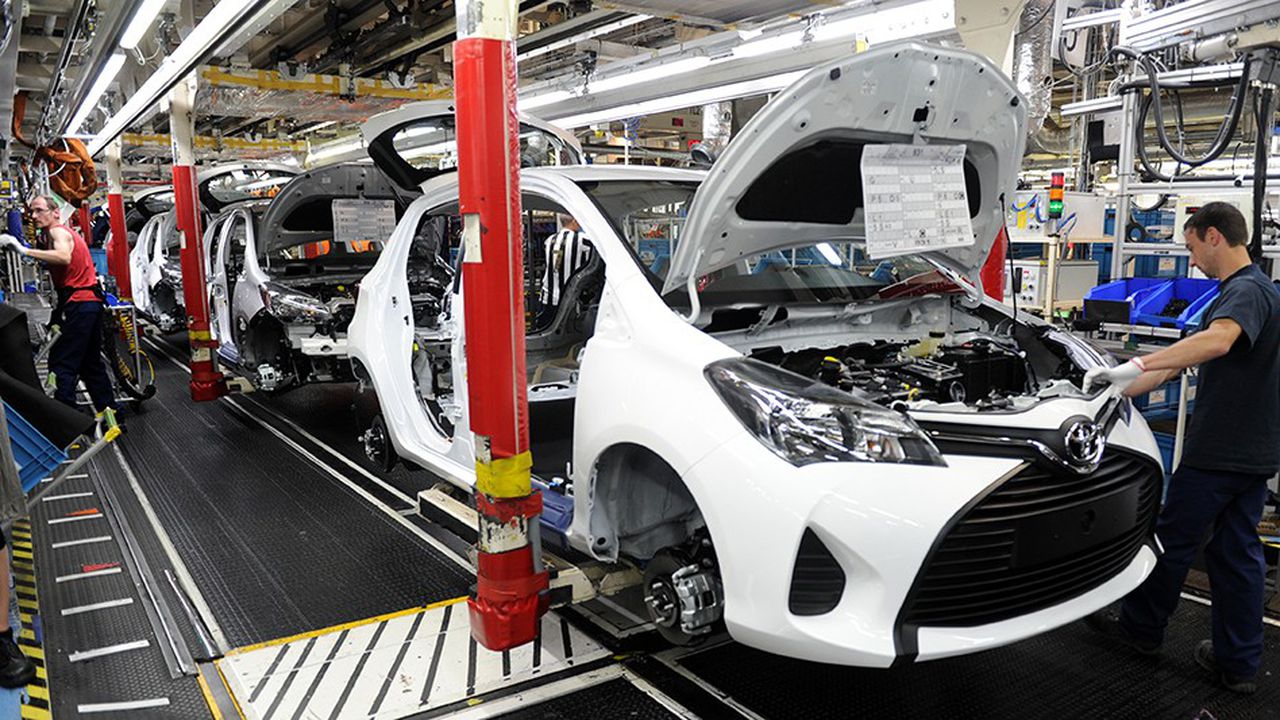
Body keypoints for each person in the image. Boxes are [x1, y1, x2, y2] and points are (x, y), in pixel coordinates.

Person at [1083, 201, 1280, 695]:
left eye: (1192, 247)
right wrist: (1114, 388)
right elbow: (1183, 359)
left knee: (1170, 539)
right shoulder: (1242, 292)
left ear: (1214, 236)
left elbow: (1216, 342)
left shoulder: (1248, 291)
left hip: (1220, 450)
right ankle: (1237, 664)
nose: (1190, 261)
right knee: (1236, 553)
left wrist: (1138, 366)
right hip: (1253, 450)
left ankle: (1141, 629)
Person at [0, 195, 116, 418]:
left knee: (61, 363)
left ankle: (67, 423)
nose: (34, 216)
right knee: (90, 364)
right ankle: (112, 414)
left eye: (39, 210)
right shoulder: (53, 234)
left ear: (55, 213)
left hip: (80, 304)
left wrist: (23, 251)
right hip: (87, 303)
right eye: (31, 212)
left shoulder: (57, 232)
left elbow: (63, 256)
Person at [539, 215, 593, 316]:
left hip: (548, 296)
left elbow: (554, 264)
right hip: (571, 297)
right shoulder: (583, 240)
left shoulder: (549, 240)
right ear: (574, 221)